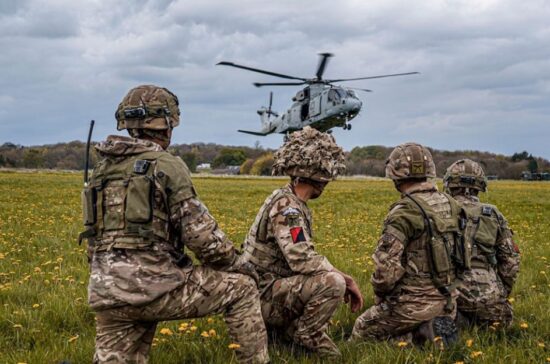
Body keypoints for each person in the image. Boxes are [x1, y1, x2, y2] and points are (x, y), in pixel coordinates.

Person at [80, 85, 269, 364]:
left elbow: (93, 241)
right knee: (242, 289)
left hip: (107, 294)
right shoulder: (166, 165)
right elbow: (203, 238)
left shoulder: (101, 170)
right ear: (167, 124)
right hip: (156, 288)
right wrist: (243, 267)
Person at [240, 126, 364, 357]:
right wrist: (347, 280)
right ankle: (305, 335)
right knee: (332, 282)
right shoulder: (288, 209)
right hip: (260, 294)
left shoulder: (289, 202)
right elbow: (301, 258)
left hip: (262, 288)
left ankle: (285, 333)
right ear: (320, 178)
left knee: (324, 278)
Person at [351, 142, 469, 347]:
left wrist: (380, 297)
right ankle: (431, 330)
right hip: (449, 299)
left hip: (413, 304)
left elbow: (385, 270)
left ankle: (415, 338)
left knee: (362, 330)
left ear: (396, 174)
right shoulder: (452, 204)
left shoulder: (404, 212)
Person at [443, 159, 520, 327]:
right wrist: (501, 293)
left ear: (449, 183)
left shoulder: (440, 211)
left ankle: (457, 321)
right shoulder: (493, 214)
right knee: (500, 322)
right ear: (481, 186)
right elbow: (511, 263)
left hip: (449, 295)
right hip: (489, 300)